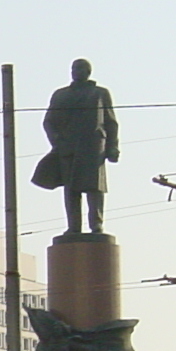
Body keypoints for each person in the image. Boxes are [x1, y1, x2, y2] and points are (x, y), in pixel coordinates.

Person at [32, 58, 120, 236]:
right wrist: (57, 142)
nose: (76, 72)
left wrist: (113, 147)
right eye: (73, 69)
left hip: (94, 147)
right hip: (68, 147)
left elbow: (111, 122)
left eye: (80, 69)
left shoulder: (100, 93)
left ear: (88, 72)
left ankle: (96, 225)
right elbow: (48, 122)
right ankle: (74, 227)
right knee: (71, 189)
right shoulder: (61, 95)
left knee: (95, 188)